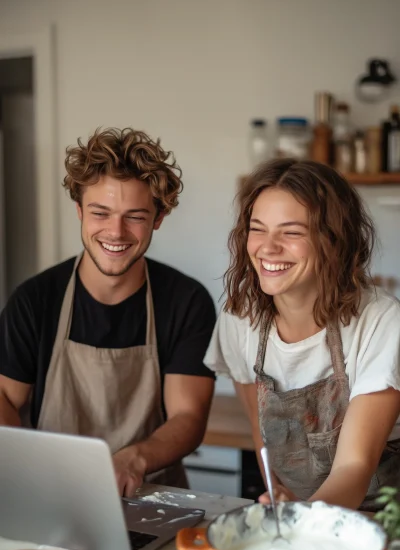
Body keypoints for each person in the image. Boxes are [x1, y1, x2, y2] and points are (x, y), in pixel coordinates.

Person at [0, 127, 216, 496]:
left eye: (134, 216)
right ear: (80, 211)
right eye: (101, 213)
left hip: (154, 497)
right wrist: (26, 469)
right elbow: (5, 398)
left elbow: (188, 417)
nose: (116, 232)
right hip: (53, 492)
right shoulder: (35, 299)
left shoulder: (186, 301)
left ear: (158, 218)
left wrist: (134, 459)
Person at [205, 158, 400, 511]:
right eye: (258, 228)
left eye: (291, 232)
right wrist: (280, 494)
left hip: (382, 524)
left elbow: (355, 466)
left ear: (334, 240)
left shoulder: (382, 321)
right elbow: (260, 434)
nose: (267, 247)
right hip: (303, 516)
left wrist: (304, 523)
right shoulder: (239, 318)